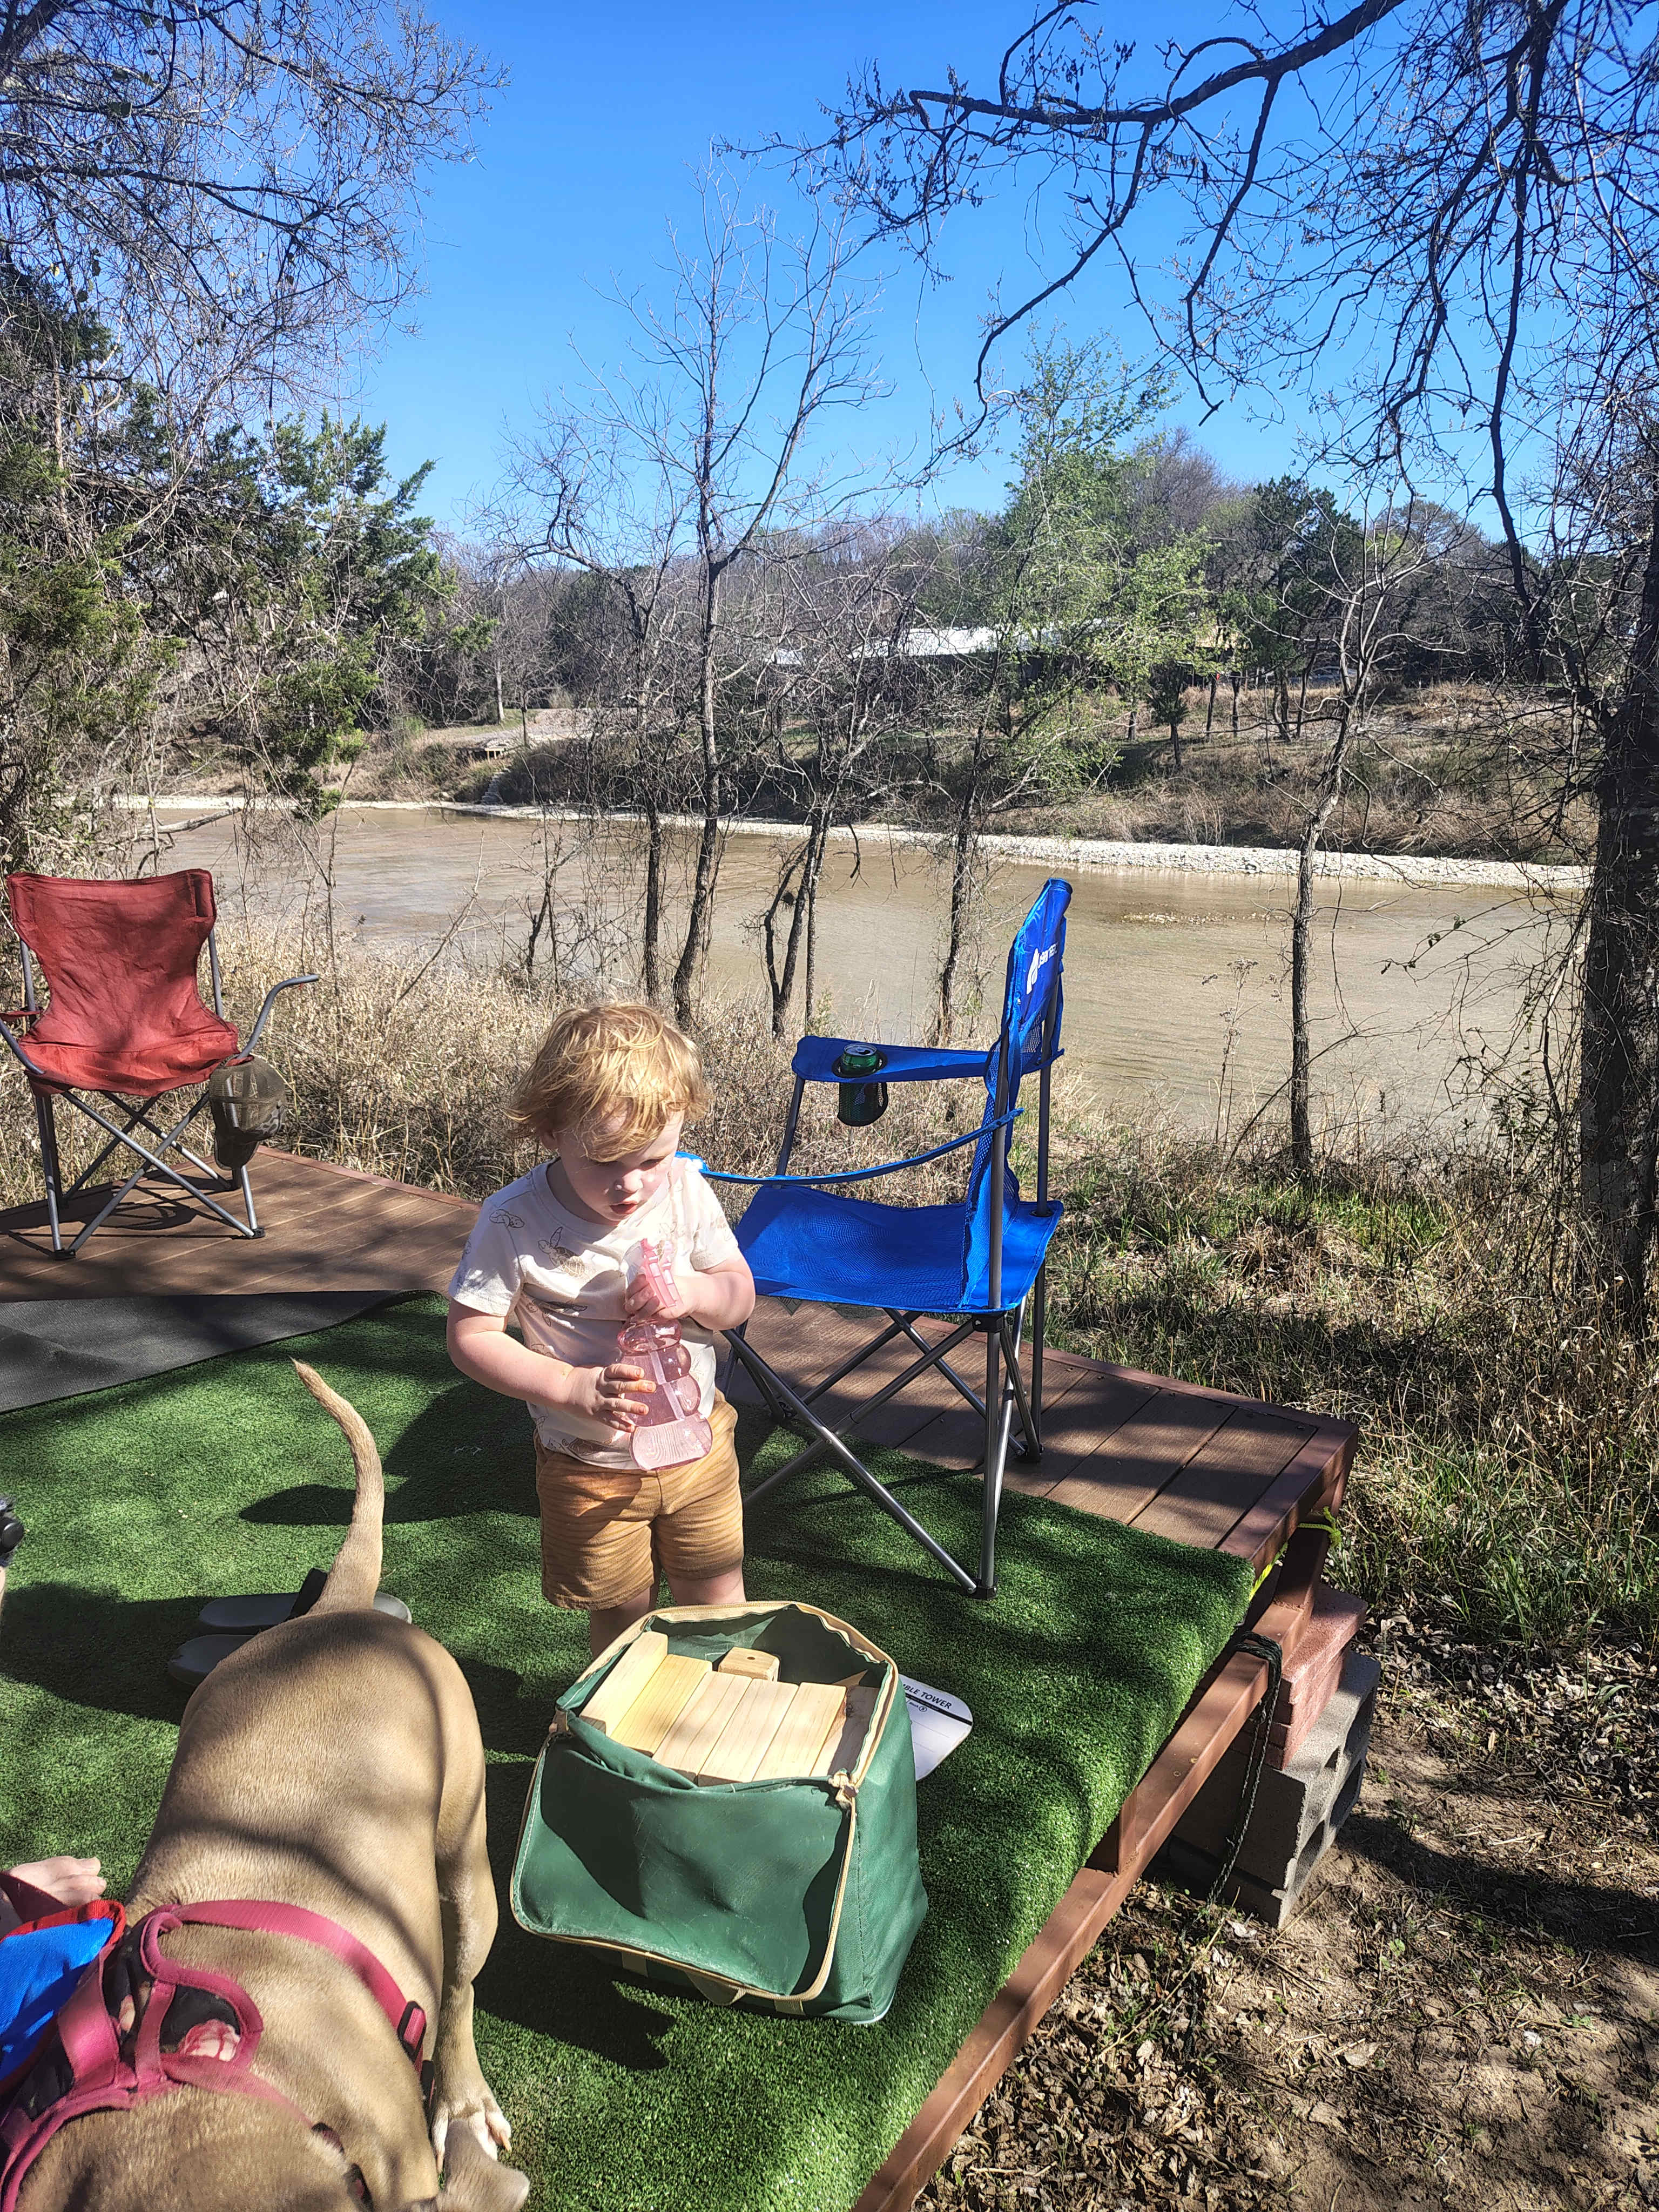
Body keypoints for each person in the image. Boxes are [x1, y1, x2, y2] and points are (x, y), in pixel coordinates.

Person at [446, 1002, 757, 1657]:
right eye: (606, 1162)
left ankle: (727, 1706)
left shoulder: (685, 1189)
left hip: (699, 1444)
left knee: (718, 1592)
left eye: (654, 1158)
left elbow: (738, 1294)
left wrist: (695, 1293)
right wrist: (573, 1385)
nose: (632, 1185)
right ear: (551, 1131)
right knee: (623, 1611)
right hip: (588, 1463)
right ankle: (617, 1730)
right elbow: (471, 1336)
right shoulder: (513, 1219)